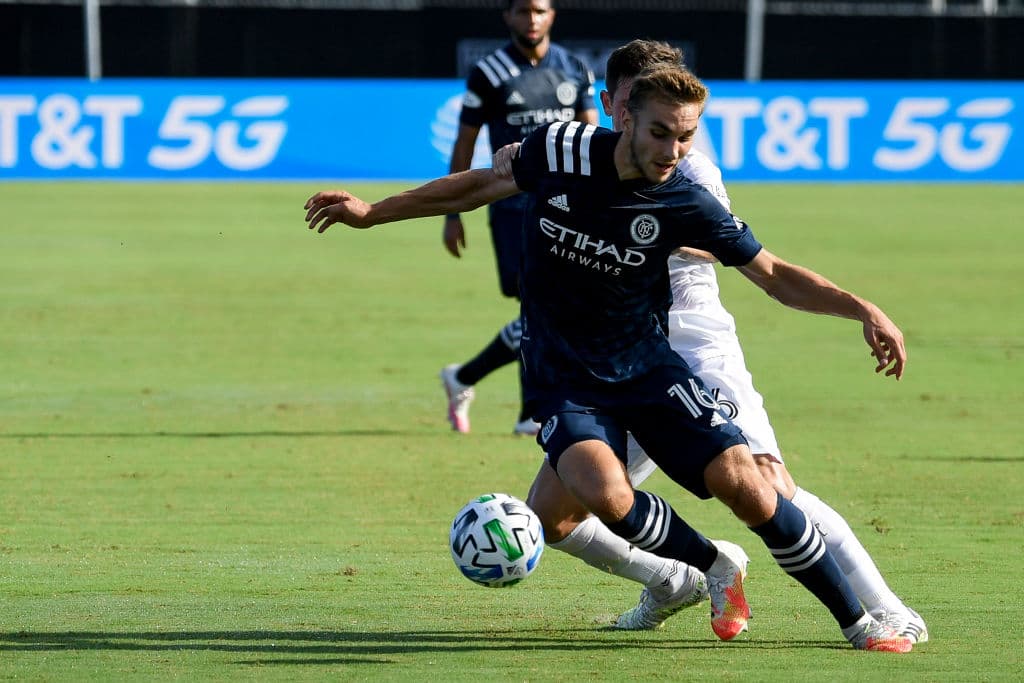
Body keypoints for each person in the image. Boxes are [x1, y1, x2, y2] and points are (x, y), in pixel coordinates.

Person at [304, 64, 912, 652]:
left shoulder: (687, 200)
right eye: (660, 132)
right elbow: (478, 185)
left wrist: (861, 308)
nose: (672, 150)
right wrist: (374, 212)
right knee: (603, 495)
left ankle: (860, 622)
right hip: (565, 376)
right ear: (625, 120)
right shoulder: (559, 150)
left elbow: (774, 274)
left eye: (685, 136)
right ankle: (713, 564)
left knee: (748, 486)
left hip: (647, 366)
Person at [491, 39, 927, 644]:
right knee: (552, 516)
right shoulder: (579, 152)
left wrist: (621, 219)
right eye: (629, 101)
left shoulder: (685, 168)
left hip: (693, 344)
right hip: (608, 356)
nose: (641, 118)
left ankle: (885, 609)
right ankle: (672, 580)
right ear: (612, 103)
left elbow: (725, 248)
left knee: (767, 484)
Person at [440, 0, 597, 436]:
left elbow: (590, 138)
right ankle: (527, 409)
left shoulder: (575, 68)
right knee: (536, 305)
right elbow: (465, 142)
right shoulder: (488, 73)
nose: (532, 19)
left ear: (552, 16)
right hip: (512, 208)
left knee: (548, 307)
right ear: (507, 16)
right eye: (523, 11)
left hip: (566, 207)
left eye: (540, 11)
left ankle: (467, 379)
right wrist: (453, 211)